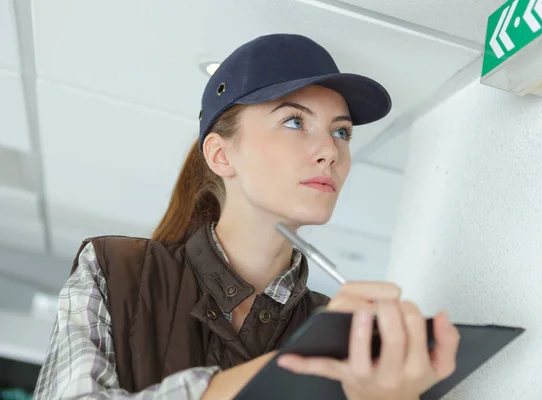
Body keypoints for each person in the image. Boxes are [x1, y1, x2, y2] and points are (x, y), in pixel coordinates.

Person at [33, 33, 460, 400]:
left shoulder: (345, 332)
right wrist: (303, 361)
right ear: (221, 154)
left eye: (341, 131)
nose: (331, 151)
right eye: (295, 121)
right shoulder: (113, 269)